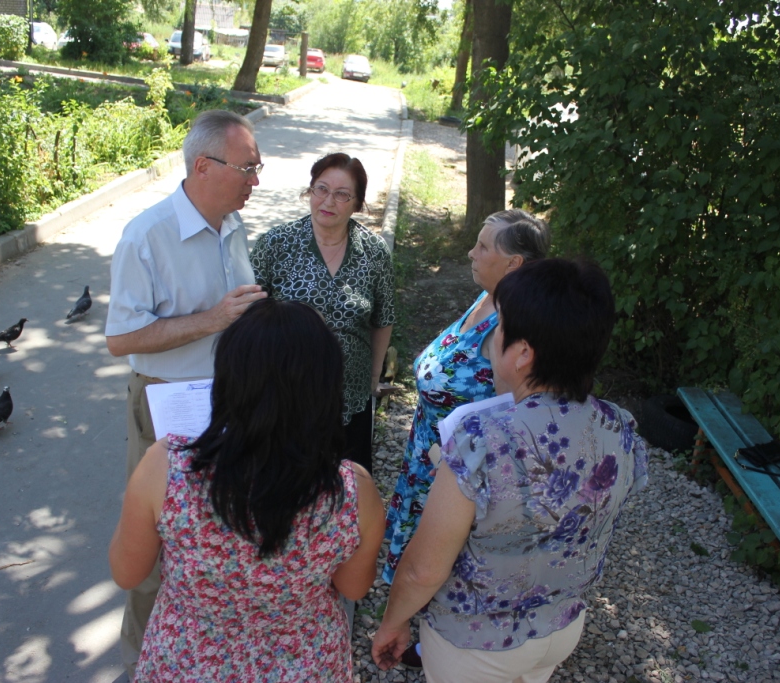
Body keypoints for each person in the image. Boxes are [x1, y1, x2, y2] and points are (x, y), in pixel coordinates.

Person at [371, 257, 649, 683]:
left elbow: (423, 569)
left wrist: (392, 622)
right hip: (561, 626)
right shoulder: (620, 426)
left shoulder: (480, 437)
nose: (492, 339)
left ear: (522, 354)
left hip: (476, 643)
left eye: (498, 330)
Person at [109, 299, 385, 682]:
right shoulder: (353, 490)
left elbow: (126, 572)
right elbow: (353, 588)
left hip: (187, 664)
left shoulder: (166, 466)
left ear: (226, 379)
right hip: (305, 666)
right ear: (324, 388)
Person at [105, 109, 268, 678]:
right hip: (167, 402)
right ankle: (142, 658)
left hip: (229, 402)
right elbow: (121, 337)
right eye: (248, 168)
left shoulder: (232, 224)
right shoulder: (146, 237)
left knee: (215, 536)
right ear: (204, 165)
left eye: (257, 167)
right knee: (156, 540)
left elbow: (233, 315)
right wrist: (214, 319)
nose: (256, 180)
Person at [383, 209, 550, 585]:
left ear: (514, 264)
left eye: (482, 246)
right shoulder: (487, 299)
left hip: (455, 477)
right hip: (426, 462)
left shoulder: (513, 329)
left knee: (433, 577)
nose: (470, 253)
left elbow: (521, 414)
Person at [250, 153, 395, 473]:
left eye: (343, 194)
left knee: (348, 491)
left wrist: (373, 377)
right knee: (285, 487)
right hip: (286, 395)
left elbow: (383, 318)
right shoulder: (275, 244)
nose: (328, 201)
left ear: (357, 203)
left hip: (351, 396)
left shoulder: (373, 252)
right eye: (321, 189)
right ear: (310, 191)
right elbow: (251, 318)